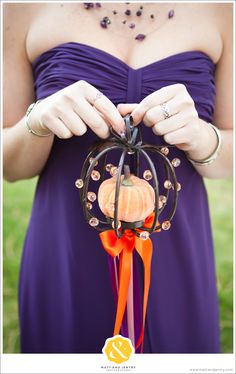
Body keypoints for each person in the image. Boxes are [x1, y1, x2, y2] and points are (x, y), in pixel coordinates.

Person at [3, 2, 233, 353]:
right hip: (67, 252)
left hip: (177, 255)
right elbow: (11, 167)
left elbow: (228, 160)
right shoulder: (22, 8)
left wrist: (202, 136)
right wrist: (37, 120)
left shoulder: (222, 10)